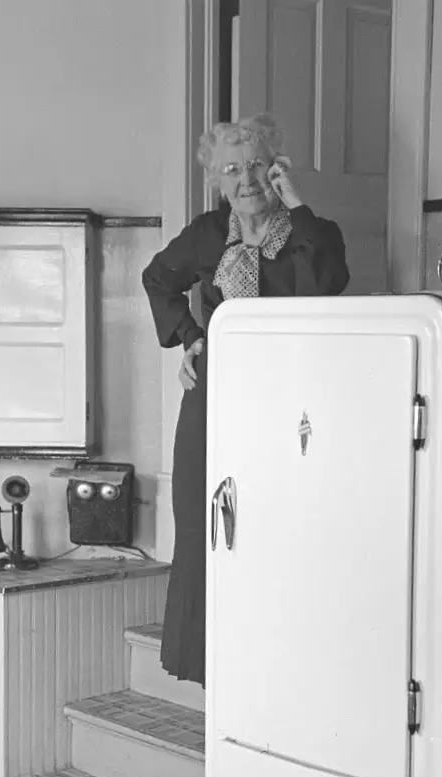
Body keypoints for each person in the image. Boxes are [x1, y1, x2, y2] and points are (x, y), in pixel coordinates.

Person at [142, 112, 349, 688]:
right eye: (231, 168)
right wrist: (191, 336)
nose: (246, 178)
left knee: (280, 523)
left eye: (255, 164)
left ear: (275, 169)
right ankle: (210, 666)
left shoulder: (314, 231)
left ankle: (277, 662)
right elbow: (157, 279)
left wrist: (298, 206)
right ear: (217, 179)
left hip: (290, 397)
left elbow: (328, 285)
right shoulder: (207, 234)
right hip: (214, 395)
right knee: (203, 523)